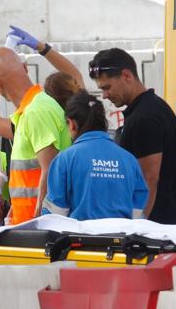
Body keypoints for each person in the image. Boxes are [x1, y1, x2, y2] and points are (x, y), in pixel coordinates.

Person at [89, 48, 176, 224]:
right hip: (169, 224)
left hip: (159, 228)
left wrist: (136, 225)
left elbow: (148, 179)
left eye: (107, 87)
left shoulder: (144, 117)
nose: (105, 95)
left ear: (127, 76)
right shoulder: (153, 107)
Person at [0, 47, 72, 225]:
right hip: (29, 223)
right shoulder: (29, 111)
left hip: (39, 226)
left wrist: (38, 219)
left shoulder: (36, 111)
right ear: (25, 68)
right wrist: (15, 209)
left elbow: (50, 170)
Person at [42, 90, 148, 220]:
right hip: (123, 238)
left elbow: (55, 216)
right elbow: (138, 212)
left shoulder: (65, 159)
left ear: (72, 124)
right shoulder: (129, 160)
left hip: (79, 239)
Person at [0, 25, 84, 140]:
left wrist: (1, 75)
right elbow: (76, 77)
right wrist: (41, 47)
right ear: (25, 67)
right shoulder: (53, 109)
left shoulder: (29, 119)